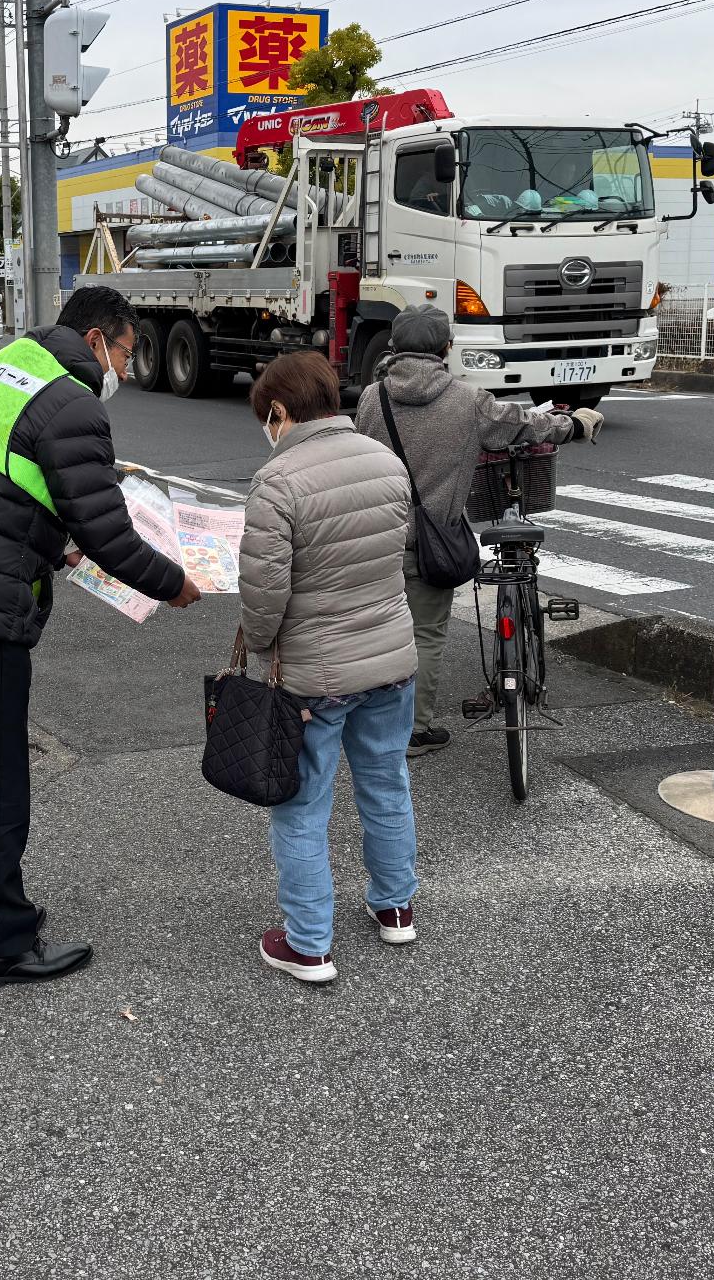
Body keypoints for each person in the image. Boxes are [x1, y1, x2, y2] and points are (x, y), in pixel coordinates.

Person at [0, 285, 200, 987]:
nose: (125, 365)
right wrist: (173, 583)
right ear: (97, 340)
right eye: (125, 350)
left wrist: (45, 542)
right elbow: (109, 532)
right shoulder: (70, 401)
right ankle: (3, 943)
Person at [238, 350, 418, 984]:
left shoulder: (278, 482)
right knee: (386, 785)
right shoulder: (387, 463)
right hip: (390, 660)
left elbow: (265, 597)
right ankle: (396, 908)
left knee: (302, 806)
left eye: (267, 416)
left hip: (316, 676)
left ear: (281, 411)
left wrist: (261, 648)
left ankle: (309, 943)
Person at [354, 306, 602, 758]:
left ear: (393, 348)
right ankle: (413, 732)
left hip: (373, 537)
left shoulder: (373, 398)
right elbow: (529, 426)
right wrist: (576, 423)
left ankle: (366, 723)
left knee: (376, 631)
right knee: (424, 635)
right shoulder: (468, 400)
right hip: (431, 544)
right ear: (446, 348)